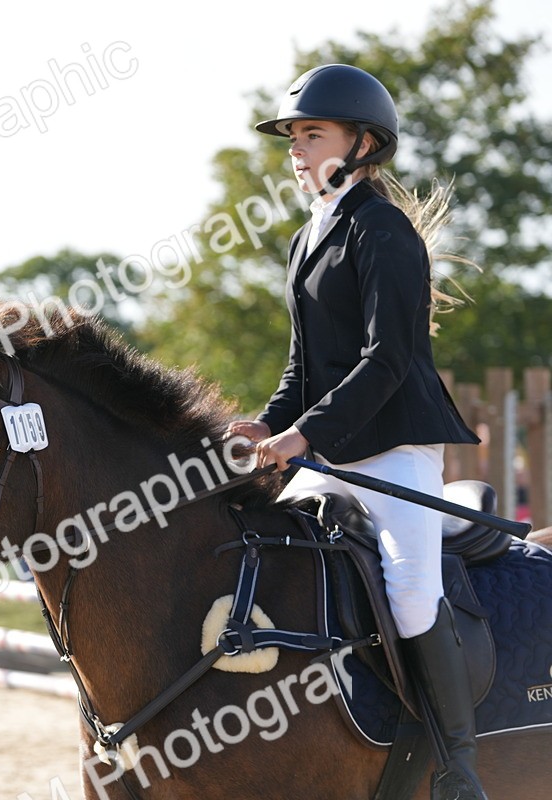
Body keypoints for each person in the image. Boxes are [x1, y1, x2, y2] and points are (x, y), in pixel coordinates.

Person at [226, 65, 485, 799]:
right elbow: (302, 368)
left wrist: (301, 438)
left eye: (313, 135)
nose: (297, 152)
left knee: (409, 591)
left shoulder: (383, 230)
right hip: (331, 450)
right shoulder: (309, 235)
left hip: (396, 450)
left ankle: (458, 767)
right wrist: (269, 424)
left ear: (363, 143)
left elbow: (387, 361)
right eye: (293, 139)